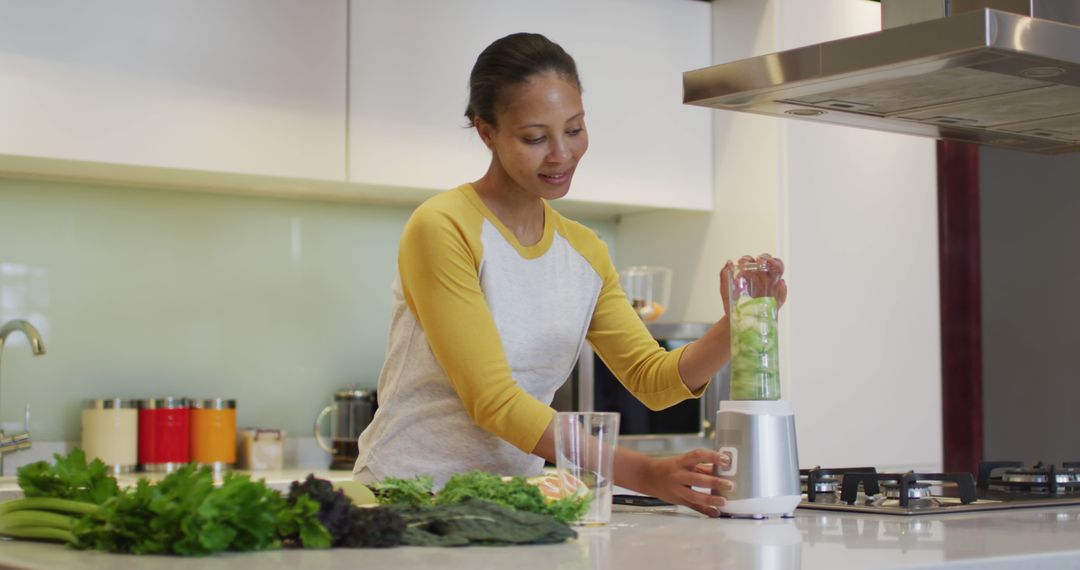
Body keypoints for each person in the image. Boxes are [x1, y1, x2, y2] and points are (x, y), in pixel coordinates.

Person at [353, 32, 787, 518]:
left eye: (575, 129)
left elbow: (652, 380)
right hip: (407, 496)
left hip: (510, 502)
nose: (561, 154)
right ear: (486, 133)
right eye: (535, 138)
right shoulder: (443, 226)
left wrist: (742, 324)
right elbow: (492, 401)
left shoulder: (584, 251)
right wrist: (644, 473)